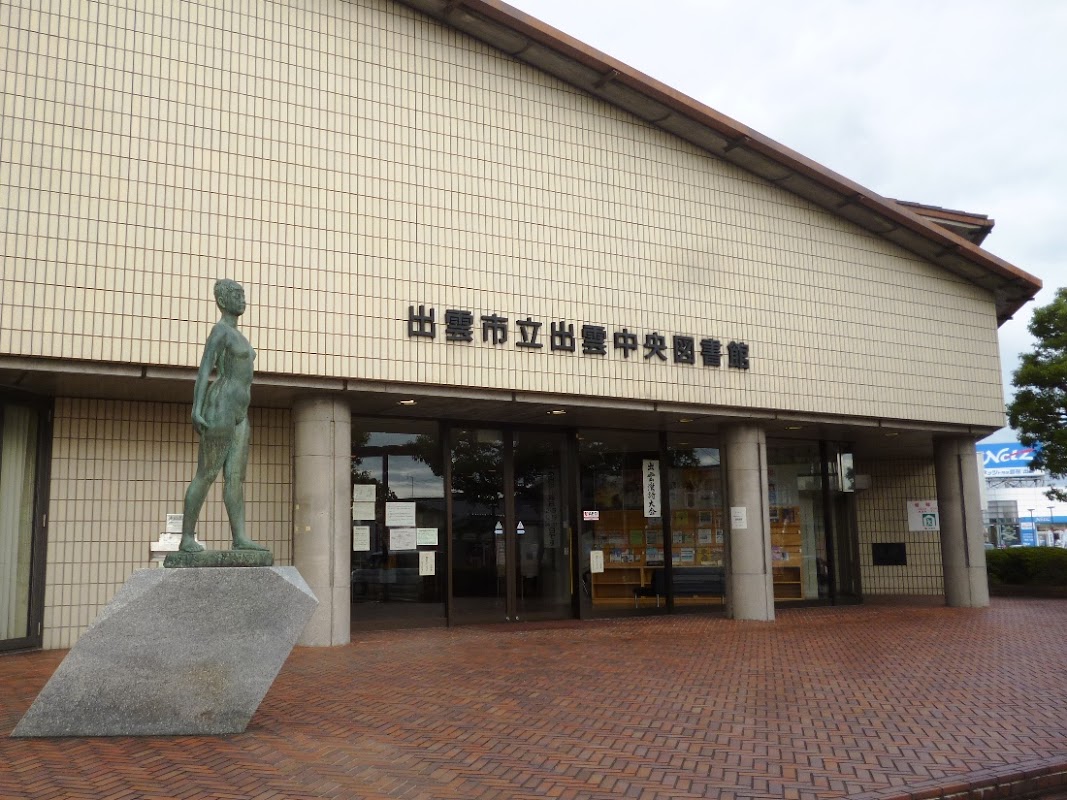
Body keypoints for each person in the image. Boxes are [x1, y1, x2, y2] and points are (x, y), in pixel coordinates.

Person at [180, 279, 268, 553]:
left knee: (235, 477)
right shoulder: (219, 332)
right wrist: (197, 407)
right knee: (206, 473)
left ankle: (239, 537)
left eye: (243, 295)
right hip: (221, 405)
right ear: (222, 300)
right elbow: (205, 369)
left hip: (241, 411)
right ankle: (186, 537)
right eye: (237, 295)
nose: (243, 300)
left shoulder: (240, 336)